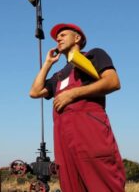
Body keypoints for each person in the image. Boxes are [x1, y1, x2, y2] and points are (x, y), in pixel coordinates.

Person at [29, 23, 126, 192]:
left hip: (90, 134)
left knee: (103, 184)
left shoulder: (93, 55)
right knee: (71, 185)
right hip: (64, 142)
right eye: (56, 37)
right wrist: (47, 64)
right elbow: (34, 92)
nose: (58, 38)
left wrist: (73, 93)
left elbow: (113, 82)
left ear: (77, 38)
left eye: (63, 34)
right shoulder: (58, 75)